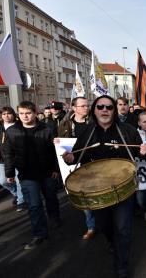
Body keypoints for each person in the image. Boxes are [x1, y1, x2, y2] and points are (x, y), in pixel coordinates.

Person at [62, 95, 146, 278]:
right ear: (94, 110)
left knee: (123, 228)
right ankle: (112, 241)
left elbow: (140, 154)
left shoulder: (127, 130)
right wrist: (70, 158)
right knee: (104, 226)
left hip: (123, 188)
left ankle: (122, 267)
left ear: (114, 111)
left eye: (109, 107)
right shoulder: (87, 132)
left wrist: (144, 152)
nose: (104, 110)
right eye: (100, 106)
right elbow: (78, 156)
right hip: (97, 189)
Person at [4, 101, 62, 250]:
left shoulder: (47, 128)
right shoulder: (11, 131)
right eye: (21, 113)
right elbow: (8, 153)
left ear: (35, 112)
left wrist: (56, 168)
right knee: (34, 205)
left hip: (47, 172)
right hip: (27, 174)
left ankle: (54, 218)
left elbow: (55, 150)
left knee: (51, 197)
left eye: (28, 113)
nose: (25, 116)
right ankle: (40, 233)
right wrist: (9, 173)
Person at [56, 97, 96, 240]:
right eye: (83, 106)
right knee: (83, 197)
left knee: (97, 194)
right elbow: (61, 145)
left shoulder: (94, 122)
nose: (86, 108)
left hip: (94, 164)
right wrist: (57, 142)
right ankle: (91, 226)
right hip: (76, 166)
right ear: (74, 108)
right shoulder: (64, 125)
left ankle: (103, 223)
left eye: (87, 105)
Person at [0, 107, 26, 211]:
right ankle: (15, 193)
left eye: (9, 113)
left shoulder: (19, 125)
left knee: (19, 180)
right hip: (2, 159)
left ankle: (21, 201)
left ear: (13, 114)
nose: (6, 116)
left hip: (17, 157)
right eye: (4, 114)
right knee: (3, 181)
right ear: (1, 115)